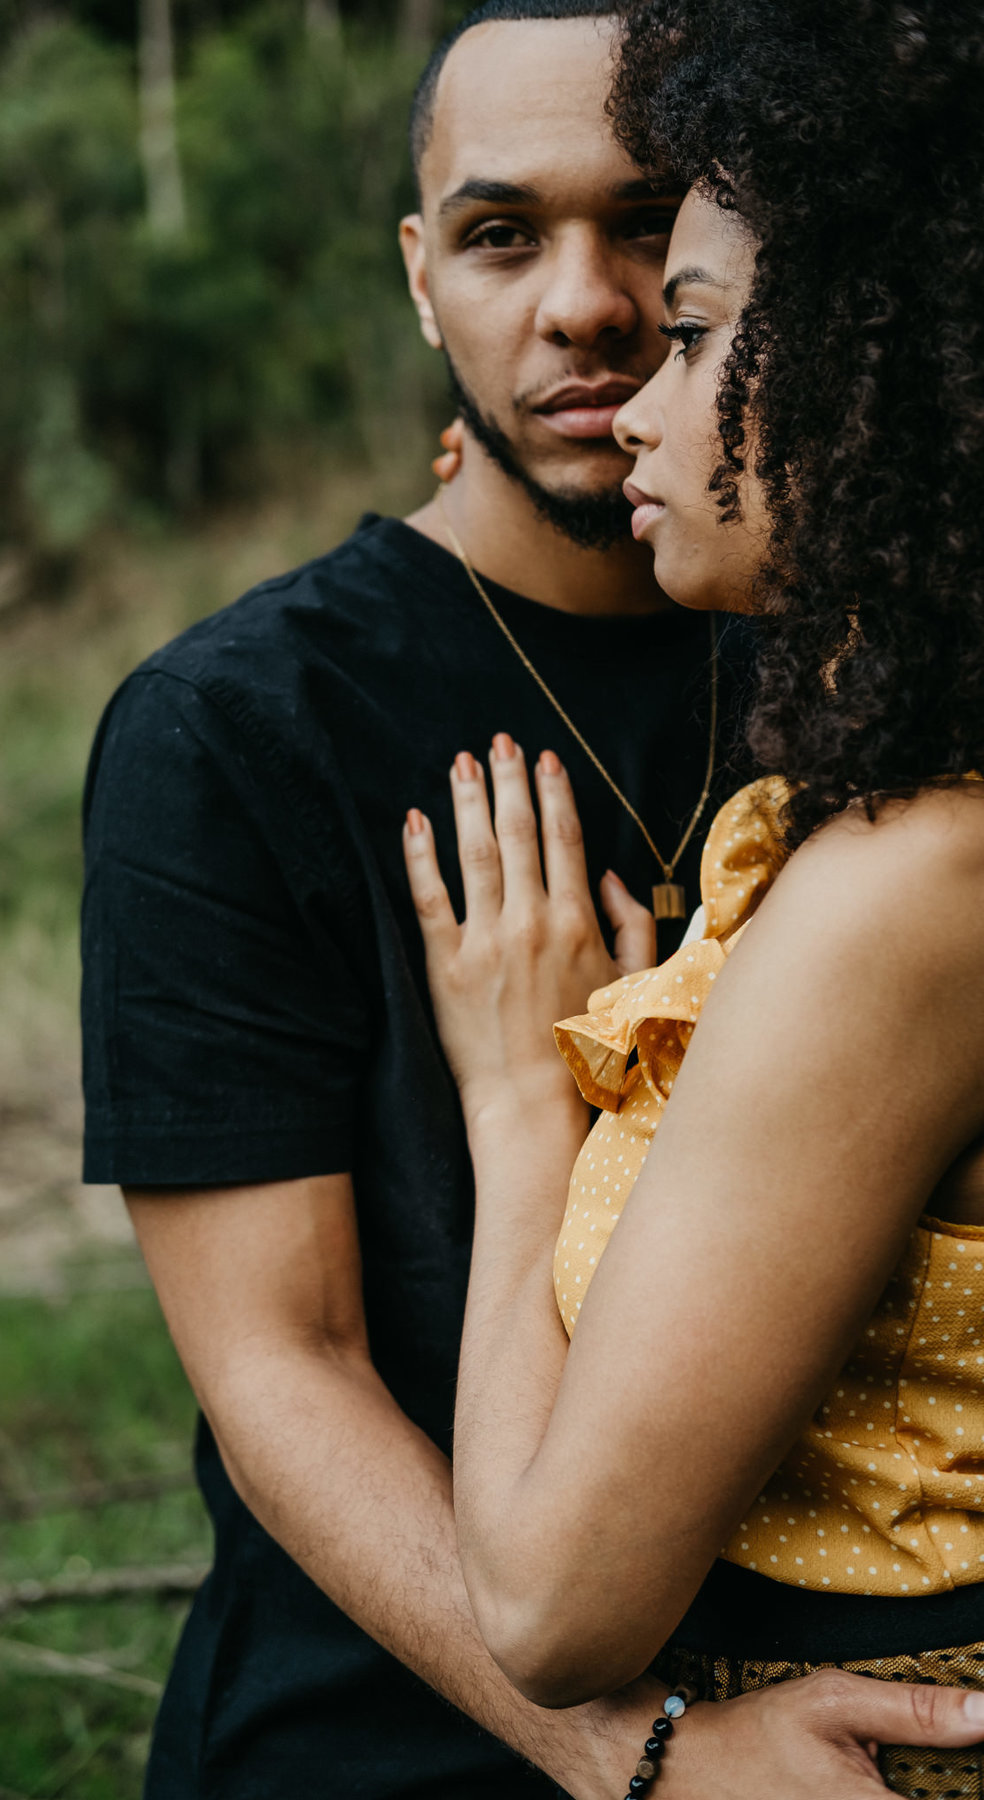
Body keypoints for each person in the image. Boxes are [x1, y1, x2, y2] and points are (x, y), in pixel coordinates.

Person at [81, 3, 975, 1795]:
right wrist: (633, 1755)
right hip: (394, 1737)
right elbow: (286, 1365)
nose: (587, 306)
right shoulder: (237, 727)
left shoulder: (889, 672)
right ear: (422, 279)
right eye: (503, 235)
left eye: (652, 233)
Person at [401, 2, 984, 1796]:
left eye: (704, 327)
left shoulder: (916, 890)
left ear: (899, 368)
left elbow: (556, 1605)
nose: (637, 389)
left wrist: (518, 1110)